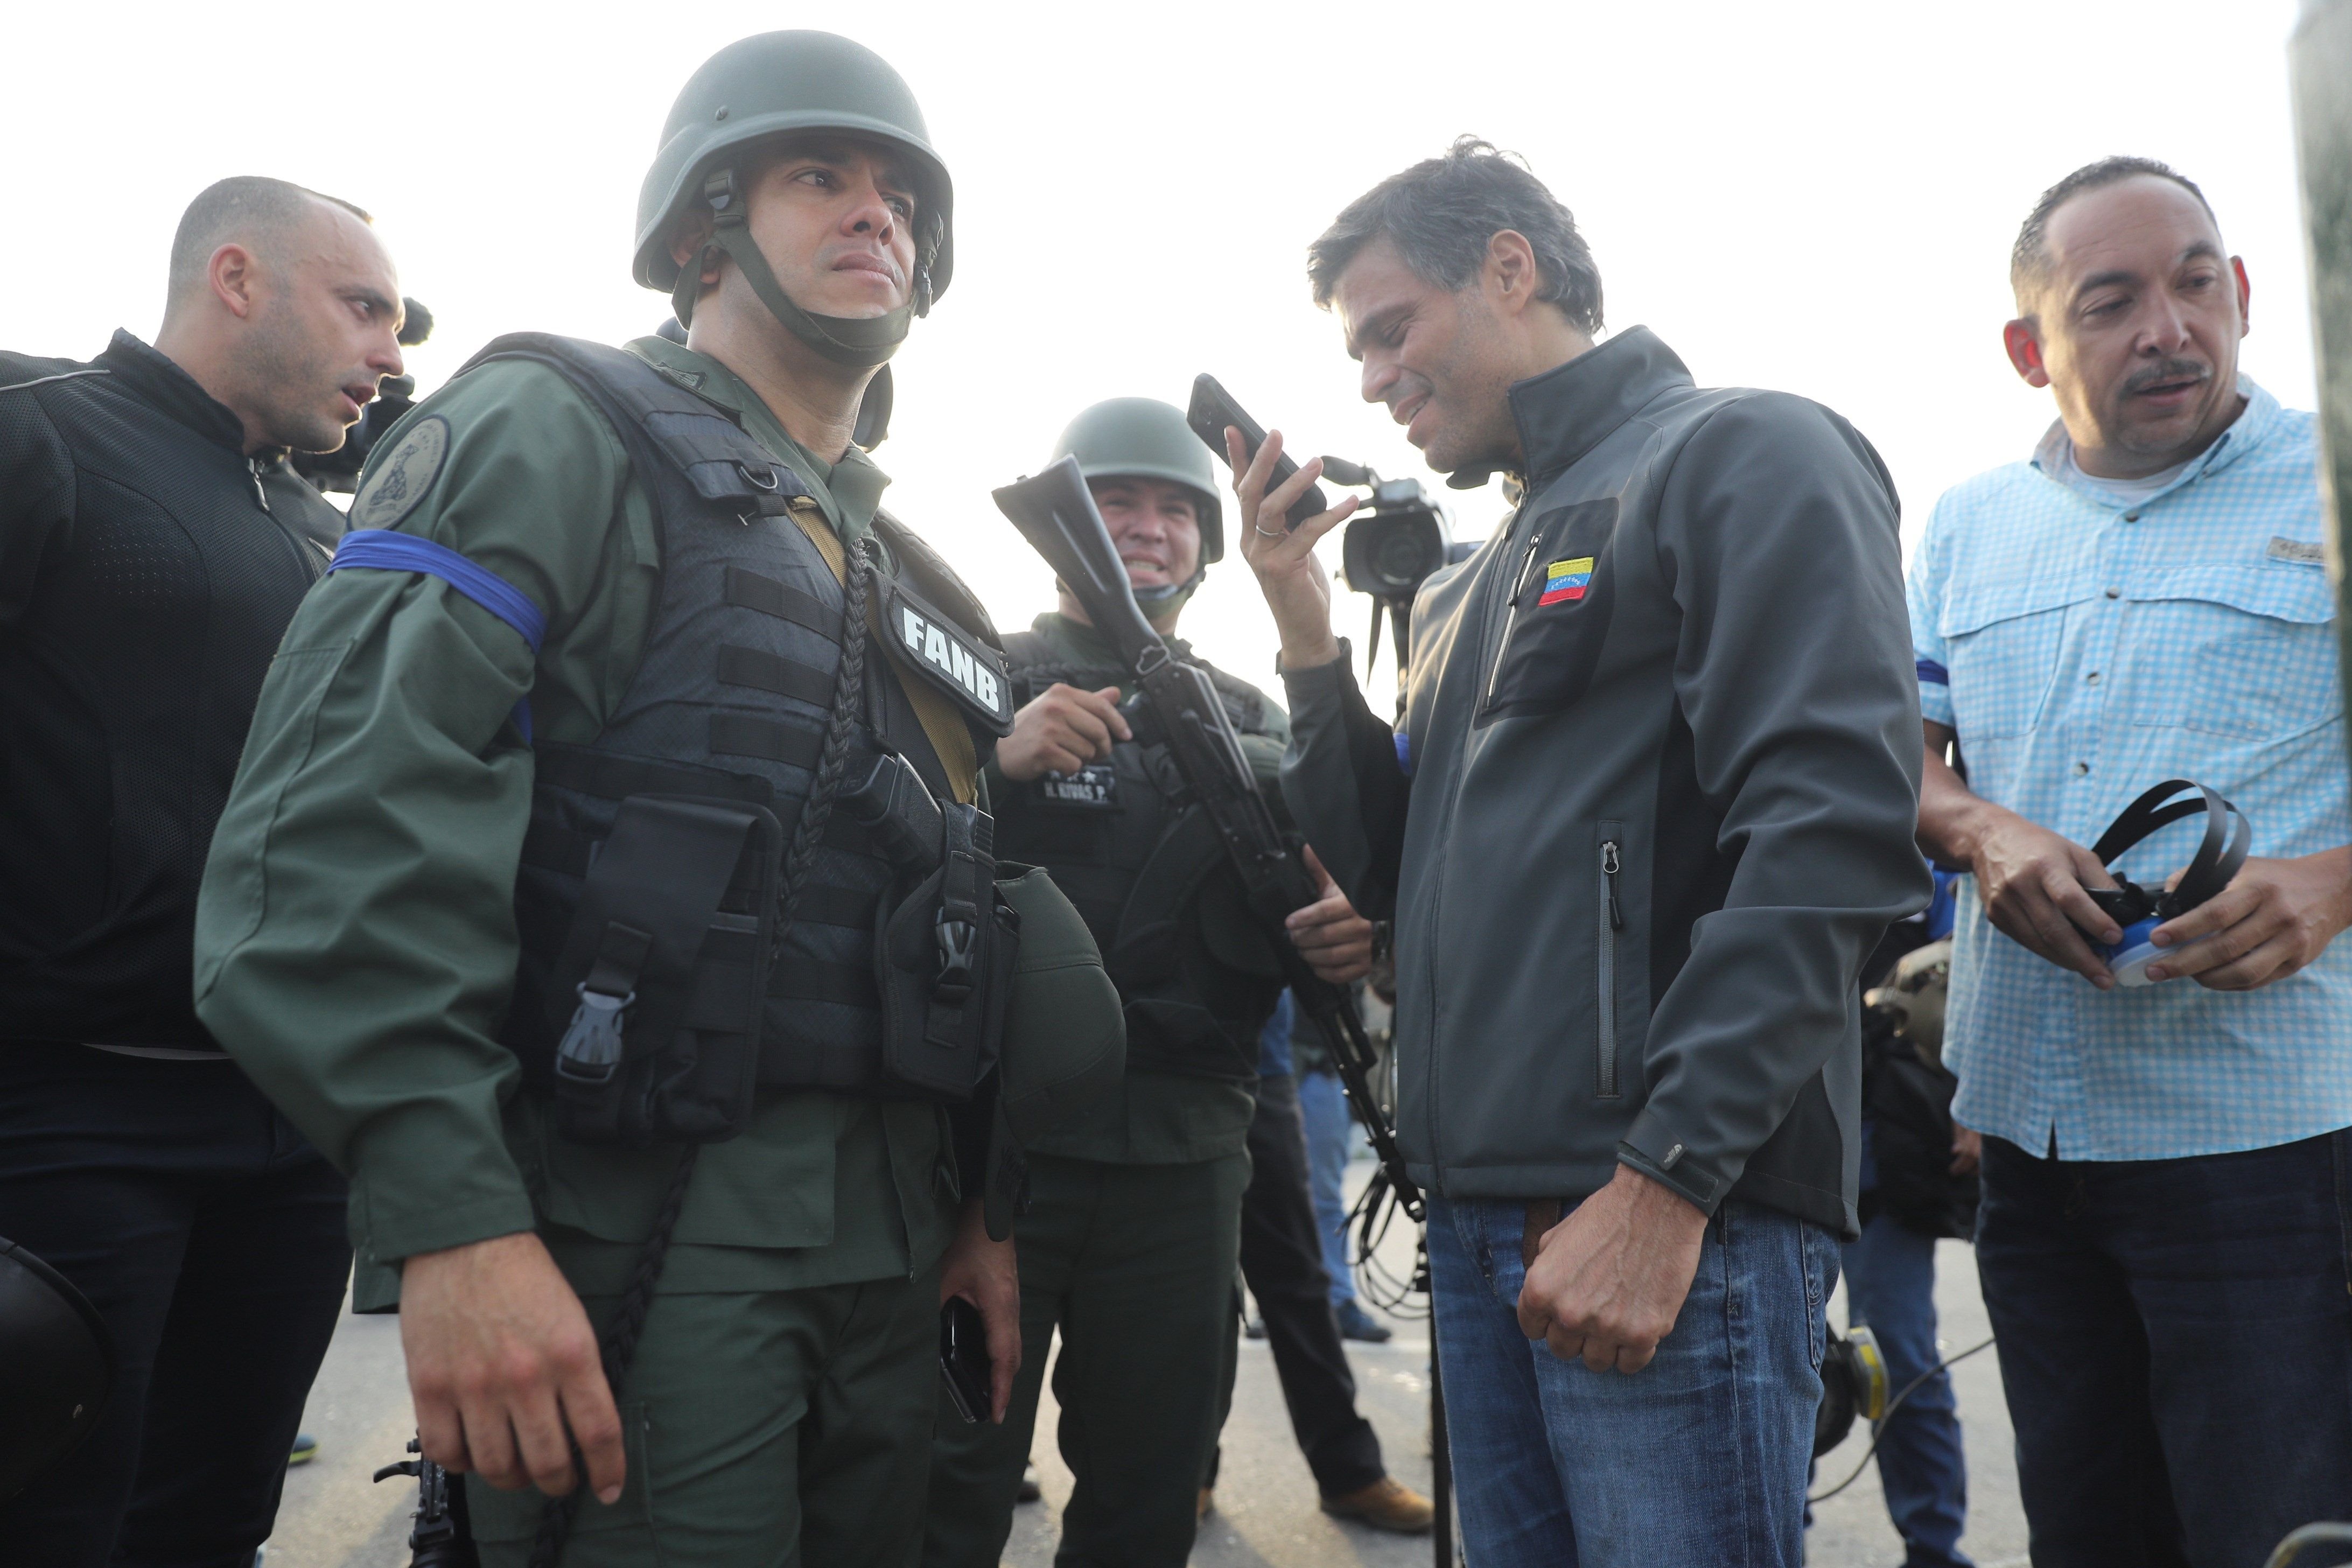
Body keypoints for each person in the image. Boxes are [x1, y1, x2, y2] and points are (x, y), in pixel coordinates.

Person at [193, 33, 1119, 1567]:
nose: (872, 213)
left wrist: (979, 1213)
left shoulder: (909, 574)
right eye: (818, 175)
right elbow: (336, 833)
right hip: (649, 1237)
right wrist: (457, 1225)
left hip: (896, 1251)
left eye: (900, 194)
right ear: (700, 227)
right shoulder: (554, 429)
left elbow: (945, 913)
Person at [1230, 138, 1928, 1567]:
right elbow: (1387, 874)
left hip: (1671, 1216)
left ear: (1509, 266)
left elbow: (1834, 832)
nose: (1369, 378)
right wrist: (1301, 622)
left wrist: (1666, 1186)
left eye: (1388, 328)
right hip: (1487, 1229)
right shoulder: (1469, 578)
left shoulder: (1743, 449)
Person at [1910, 156, 2352, 1568]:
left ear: (2244, 295)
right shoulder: (1968, 525)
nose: (2169, 325)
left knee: (2275, 1539)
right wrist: (1983, 831)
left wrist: (2338, 879)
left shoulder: (2334, 474)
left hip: (2270, 1156)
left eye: (2195, 281)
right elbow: (1895, 759)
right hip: (2033, 1151)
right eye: (2112, 301)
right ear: (2030, 350)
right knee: (2091, 1537)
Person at [0, 176, 405, 1567]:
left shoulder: (330, 534)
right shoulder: (37, 438)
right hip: (70, 1118)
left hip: (291, 1139)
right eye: (366, 309)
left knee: (217, 1521)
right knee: (51, 1520)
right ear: (237, 279)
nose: (394, 355)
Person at [919, 396, 1386, 1566]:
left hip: (1185, 1158)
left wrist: (1343, 932)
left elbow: (1344, 860)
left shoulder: (1247, 718)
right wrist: (993, 764)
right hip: (983, 1163)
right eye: (1116, 500)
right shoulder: (976, 668)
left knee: (1148, 1488)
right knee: (945, 1488)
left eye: (1176, 508)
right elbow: (864, 861)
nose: (1148, 527)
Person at [1207, 990, 1433, 1531]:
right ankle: (1186, 1471)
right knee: (1191, 1287)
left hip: (1261, 1057)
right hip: (1166, 1062)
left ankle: (1349, 1471)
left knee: (1298, 1276)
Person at [1293, 988, 1391, 1342]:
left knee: (1327, 1196)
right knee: (1270, 1196)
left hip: (1323, 1060)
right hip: (1270, 1058)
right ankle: (1285, 1298)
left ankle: (1339, 1300)